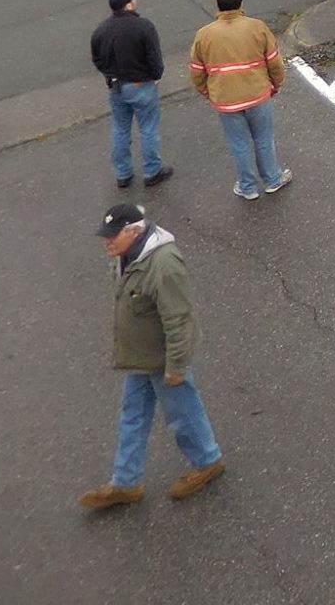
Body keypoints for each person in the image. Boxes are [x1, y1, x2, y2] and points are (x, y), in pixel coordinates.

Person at [78, 203, 225, 511]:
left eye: (112, 236)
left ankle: (207, 462)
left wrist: (176, 367)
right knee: (133, 414)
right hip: (140, 355)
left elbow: (179, 318)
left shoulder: (164, 265)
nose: (107, 241)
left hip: (163, 358)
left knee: (182, 413)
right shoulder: (125, 256)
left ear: (134, 231)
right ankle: (126, 481)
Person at [188, 0, 290, 201]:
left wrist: (207, 92)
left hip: (225, 100)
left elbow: (197, 72)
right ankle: (272, 179)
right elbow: (274, 62)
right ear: (241, 5)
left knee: (239, 143)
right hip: (257, 94)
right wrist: (276, 84)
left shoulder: (204, 35)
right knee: (263, 138)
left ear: (218, 7)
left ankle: (248, 187)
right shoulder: (257, 28)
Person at [90, 0, 172, 190]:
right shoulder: (143, 26)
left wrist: (110, 74)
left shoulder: (101, 30)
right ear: (128, 5)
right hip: (141, 85)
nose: (136, 0)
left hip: (116, 86)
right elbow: (154, 57)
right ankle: (152, 171)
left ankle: (123, 174)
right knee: (148, 129)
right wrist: (155, 76)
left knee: (120, 129)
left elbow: (98, 60)